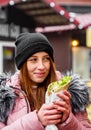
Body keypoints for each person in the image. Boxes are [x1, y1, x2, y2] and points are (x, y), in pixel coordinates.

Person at [0, 32, 91, 130]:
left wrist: (67, 121)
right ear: (22, 65)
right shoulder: (4, 98)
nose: (41, 66)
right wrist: (37, 120)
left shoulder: (71, 92)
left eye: (46, 59)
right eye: (33, 60)